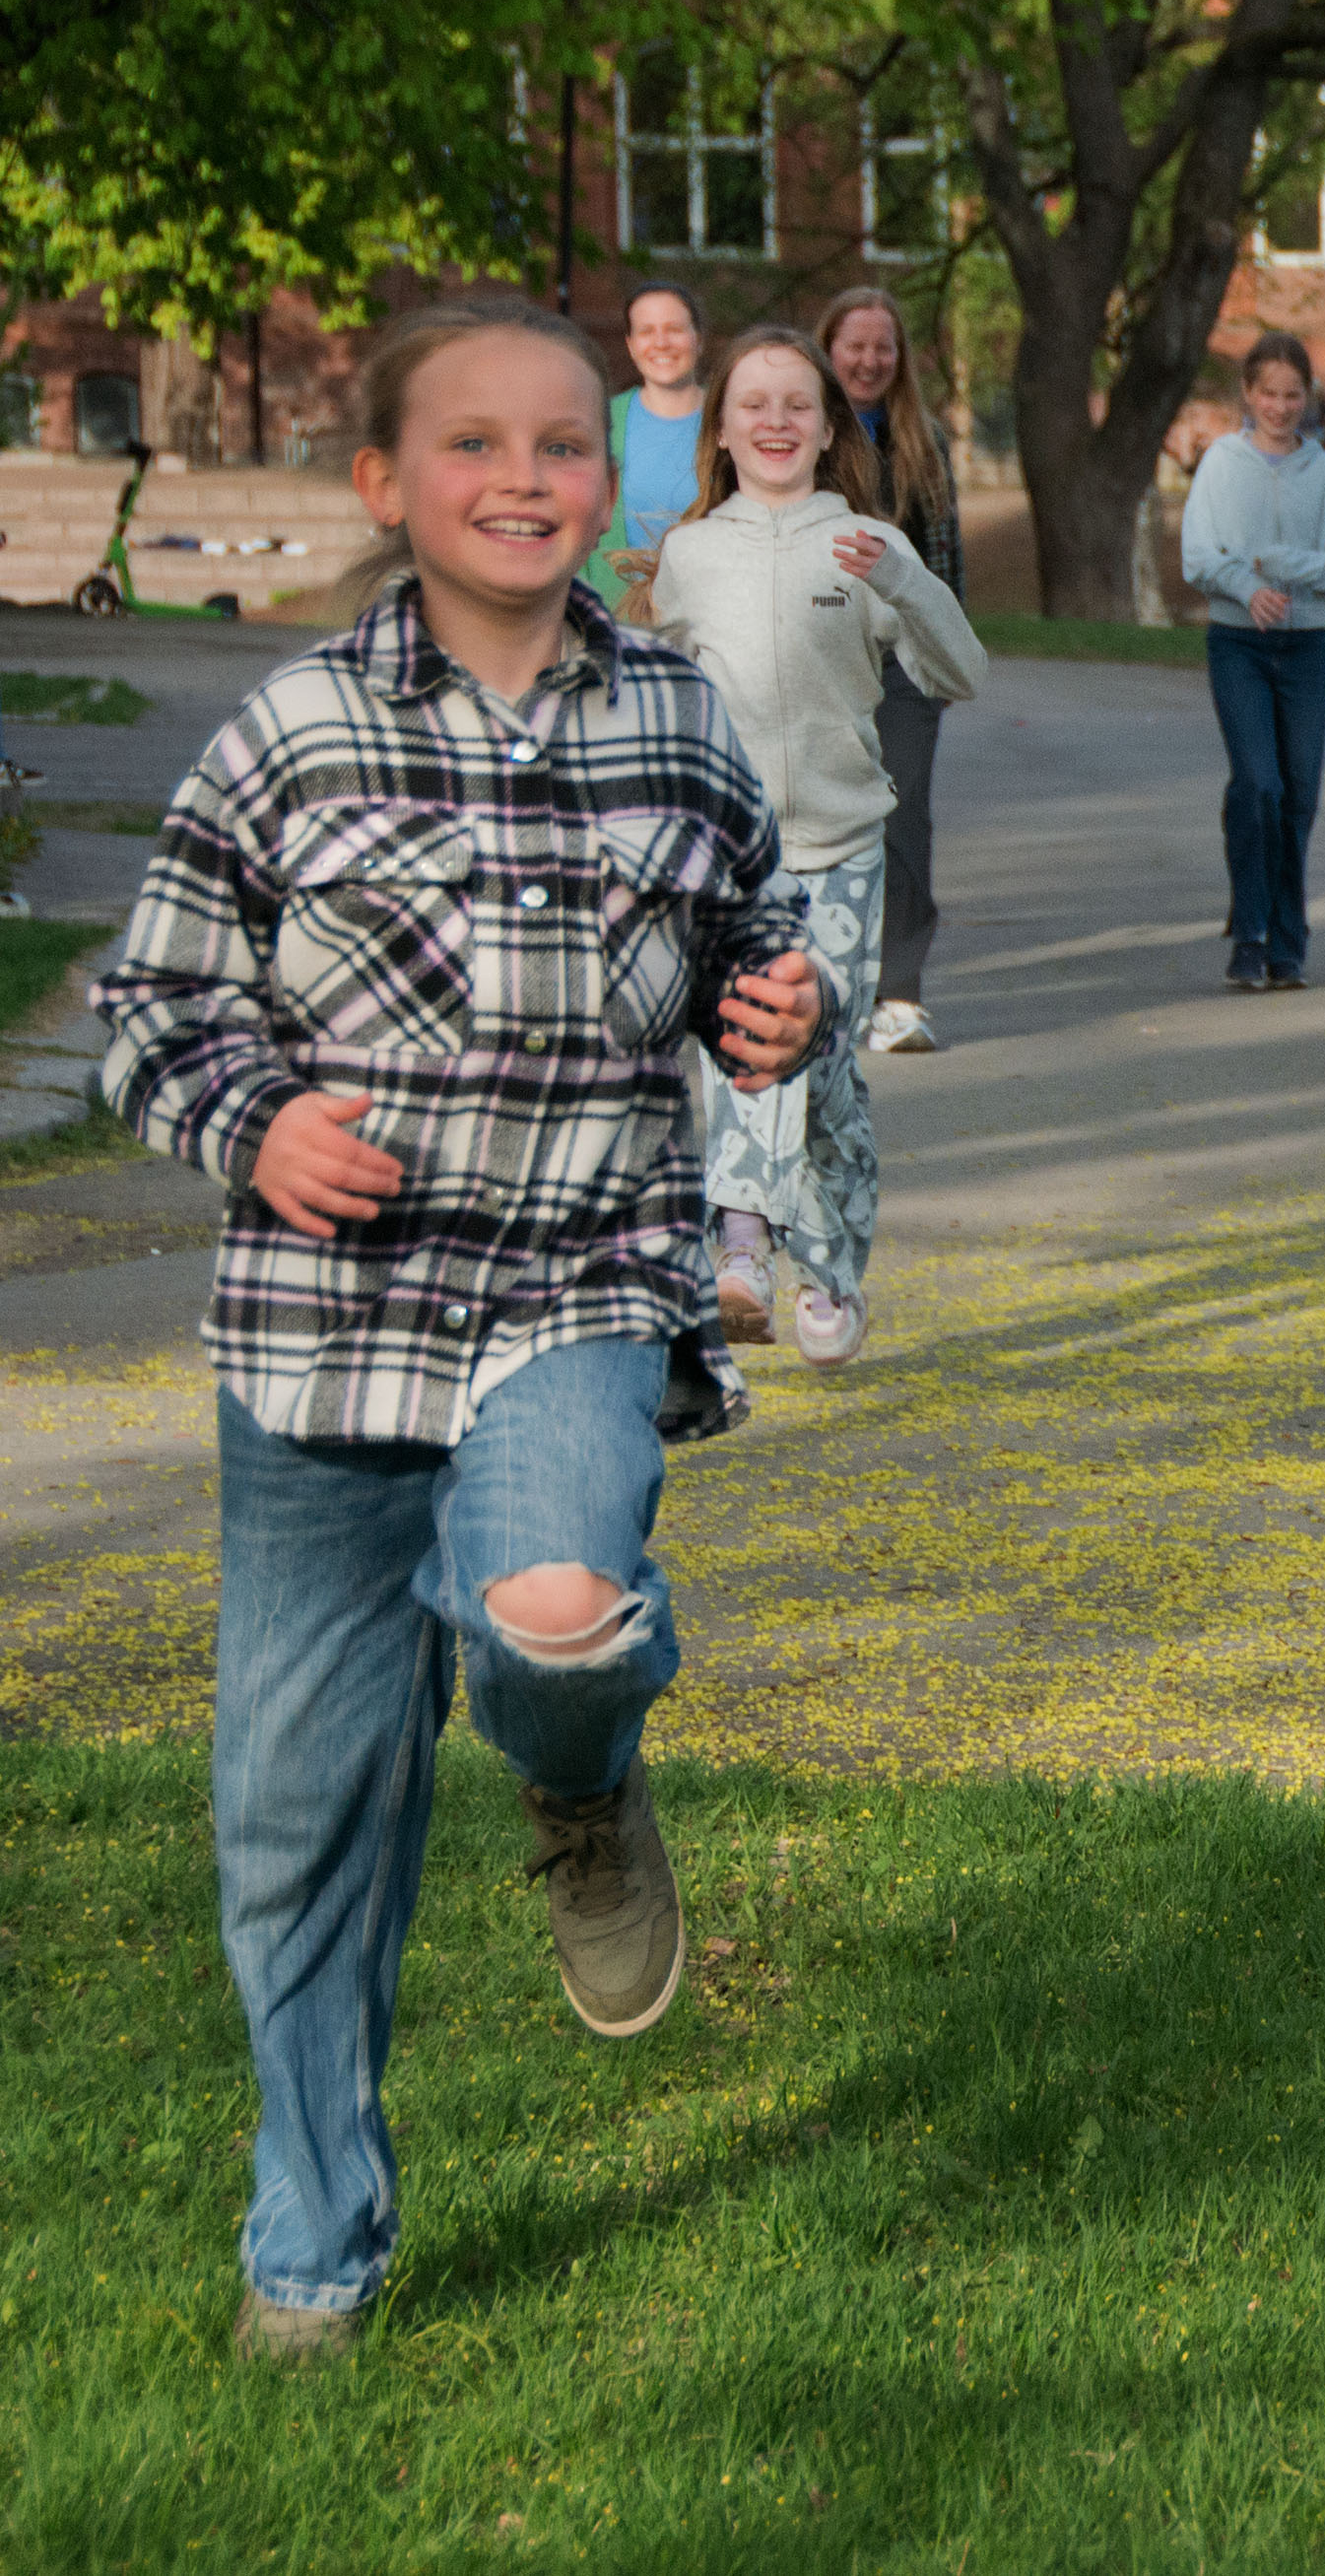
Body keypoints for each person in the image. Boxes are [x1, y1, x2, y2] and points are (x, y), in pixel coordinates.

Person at [91, 293, 827, 2364]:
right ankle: (309, 2255)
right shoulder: (296, 727)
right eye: (475, 446)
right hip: (324, 1337)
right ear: (386, 482)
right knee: (297, 1812)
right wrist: (255, 1122)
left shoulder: (675, 715)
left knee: (561, 1612)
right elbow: (146, 1010)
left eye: (565, 446)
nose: (523, 479)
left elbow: (760, 944)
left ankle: (579, 1785)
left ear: (617, 481)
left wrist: (782, 1007)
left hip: (573, 1287)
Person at [647, 325, 985, 1371]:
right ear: (721, 433)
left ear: (830, 422)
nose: (777, 421)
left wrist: (909, 575)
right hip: (735, 862)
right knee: (754, 1039)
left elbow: (960, 670)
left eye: (799, 403)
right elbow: (650, 699)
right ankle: (740, 1243)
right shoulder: (690, 558)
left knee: (827, 1062)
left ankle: (831, 1269)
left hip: (843, 851)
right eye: (754, 404)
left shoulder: (864, 542)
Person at [1181, 332, 1325, 992]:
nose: (1281, 406)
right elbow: (1198, 555)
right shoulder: (1221, 463)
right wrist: (1247, 587)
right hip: (1238, 645)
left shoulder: (1324, 473)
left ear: (1307, 398)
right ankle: (1252, 932)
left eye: (1293, 395)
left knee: (1299, 795)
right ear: (1248, 394)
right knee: (1258, 784)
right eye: (1269, 393)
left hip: (1307, 648)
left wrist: (1289, 569)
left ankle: (1289, 939)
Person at [815, 287, 966, 1056]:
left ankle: (899, 993)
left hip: (902, 660)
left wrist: (943, 656)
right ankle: (822, 980)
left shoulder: (922, 441)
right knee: (821, 810)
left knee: (904, 814)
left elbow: (944, 567)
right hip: (820, 656)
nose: (869, 360)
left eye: (884, 347)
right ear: (829, 350)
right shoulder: (800, 436)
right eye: (855, 345)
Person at [609, 280, 706, 571]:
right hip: (621, 608)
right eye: (646, 331)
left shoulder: (734, 417)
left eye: (674, 329)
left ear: (698, 339)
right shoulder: (603, 422)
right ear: (630, 345)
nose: (661, 343)